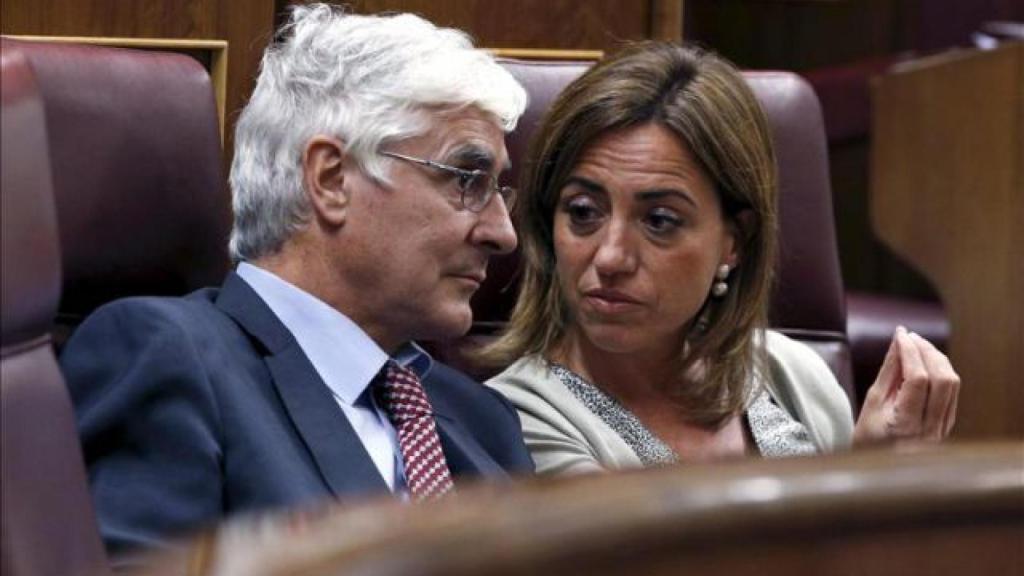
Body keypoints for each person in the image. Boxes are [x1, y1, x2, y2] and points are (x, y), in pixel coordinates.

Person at [60, 4, 533, 556]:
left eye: (499, 190)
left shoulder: (483, 419)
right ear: (332, 180)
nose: (504, 235)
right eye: (467, 180)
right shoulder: (170, 356)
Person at [484, 42, 960, 475]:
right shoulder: (513, 419)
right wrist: (870, 485)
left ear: (733, 242)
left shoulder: (793, 373)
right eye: (584, 212)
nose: (610, 257)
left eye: (660, 221)